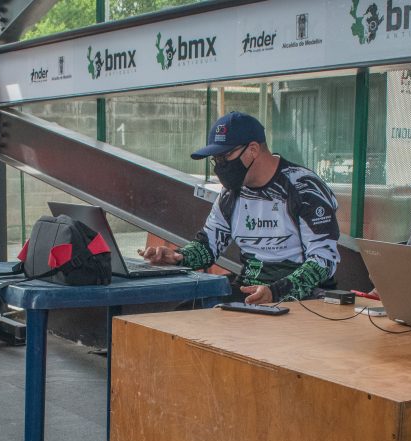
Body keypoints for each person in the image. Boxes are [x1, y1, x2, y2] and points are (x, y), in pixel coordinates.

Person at [139, 111, 340, 304]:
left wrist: (275, 292)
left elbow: (323, 261)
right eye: (215, 159)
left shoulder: (304, 187)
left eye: (225, 156)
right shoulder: (230, 193)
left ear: (252, 150)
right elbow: (207, 246)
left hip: (301, 299)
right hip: (247, 290)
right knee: (181, 321)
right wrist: (179, 257)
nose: (220, 165)